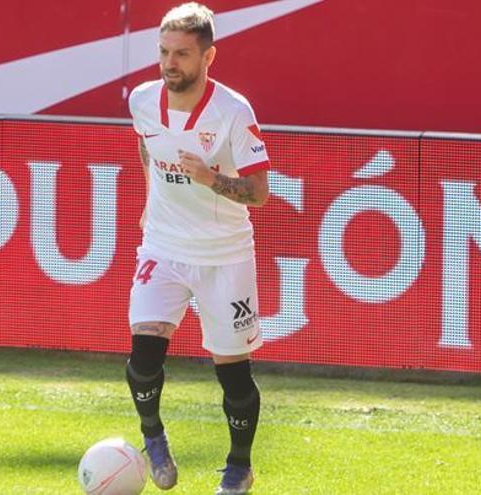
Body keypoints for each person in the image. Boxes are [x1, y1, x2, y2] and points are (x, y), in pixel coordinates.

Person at [124, 2, 270, 494]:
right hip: (162, 247)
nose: (170, 64)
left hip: (225, 255)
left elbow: (259, 192)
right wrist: (150, 199)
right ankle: (154, 438)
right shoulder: (143, 100)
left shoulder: (233, 111)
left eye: (182, 54)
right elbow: (146, 145)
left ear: (209, 56)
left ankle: (238, 466)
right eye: (164, 52)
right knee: (144, 353)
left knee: (232, 375)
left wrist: (210, 179)